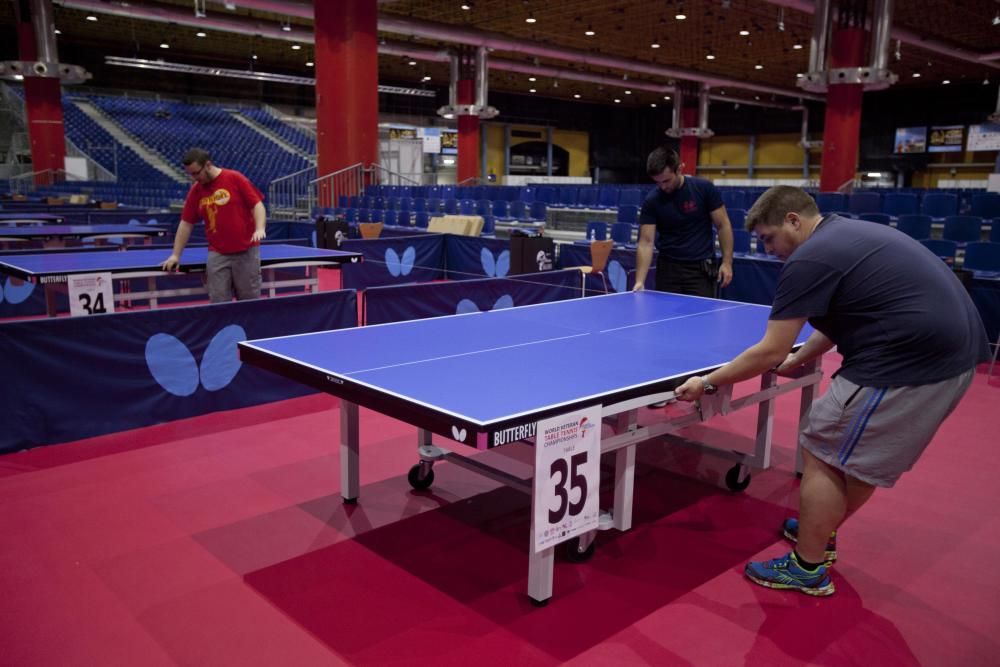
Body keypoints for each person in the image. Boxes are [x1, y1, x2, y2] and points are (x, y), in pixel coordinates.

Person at [673, 186, 990, 596]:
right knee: (854, 457)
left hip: (908, 362)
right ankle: (818, 528)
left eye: (769, 238)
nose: (769, 250)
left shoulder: (809, 257)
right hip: (950, 354)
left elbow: (769, 349)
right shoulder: (842, 234)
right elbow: (843, 313)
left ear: (793, 220)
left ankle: (807, 566)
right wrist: (802, 353)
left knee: (823, 447)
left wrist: (709, 381)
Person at [161, 148, 267, 302]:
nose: (194, 178)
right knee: (218, 302)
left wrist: (260, 228)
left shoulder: (235, 178)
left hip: (246, 251)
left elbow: (257, 206)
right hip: (217, 253)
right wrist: (176, 255)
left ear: (208, 165)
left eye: (197, 173)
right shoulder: (196, 191)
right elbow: (186, 223)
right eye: (190, 174)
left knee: (249, 301)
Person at [633, 146, 735, 297]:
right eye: (658, 182)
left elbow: (723, 225)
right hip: (668, 270)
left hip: (700, 270)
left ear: (679, 169)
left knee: (701, 318)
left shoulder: (704, 188)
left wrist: (727, 262)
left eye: (667, 180)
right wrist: (640, 281)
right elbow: (646, 242)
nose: (663, 186)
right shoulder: (652, 201)